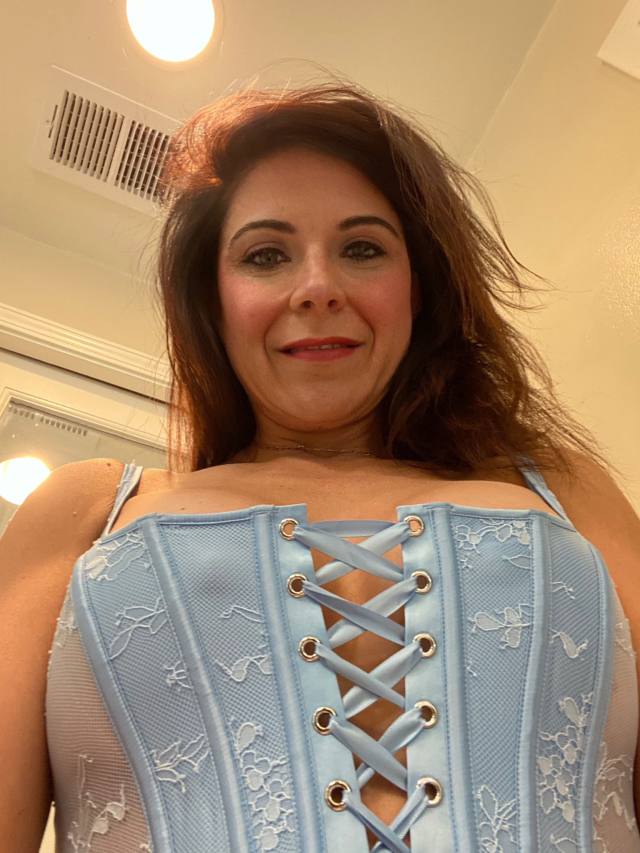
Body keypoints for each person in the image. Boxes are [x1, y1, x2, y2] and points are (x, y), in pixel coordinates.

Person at [1, 80, 639, 853]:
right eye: (266, 255)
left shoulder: (564, 488)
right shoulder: (87, 509)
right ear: (214, 300)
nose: (317, 288)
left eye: (363, 248)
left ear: (418, 288)